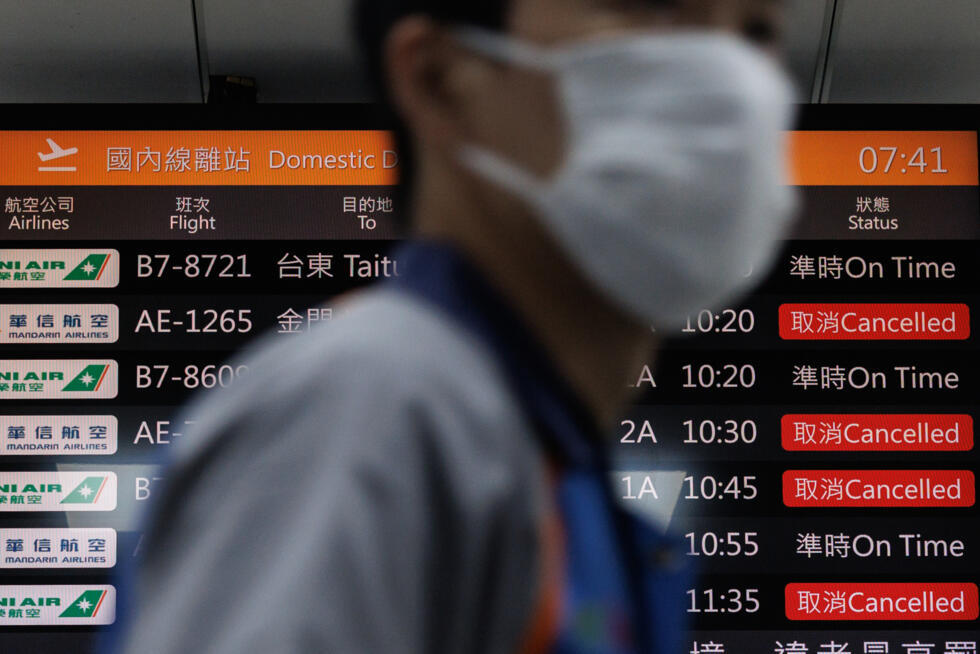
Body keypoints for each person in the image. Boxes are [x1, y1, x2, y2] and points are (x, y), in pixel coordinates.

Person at [112, 0, 798, 652]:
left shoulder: (540, 463)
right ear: (441, 82)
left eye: (756, 32)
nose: (724, 73)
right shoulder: (372, 402)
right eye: (649, 5)